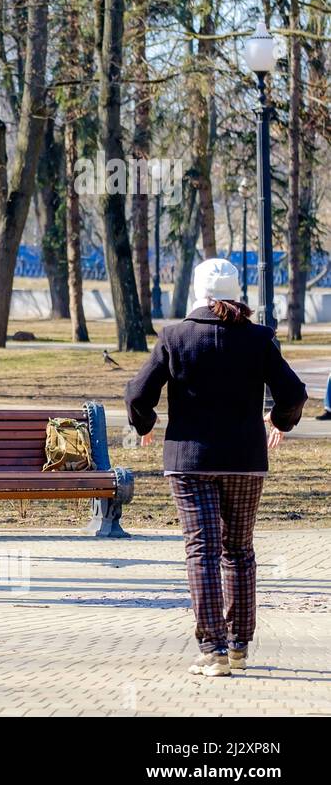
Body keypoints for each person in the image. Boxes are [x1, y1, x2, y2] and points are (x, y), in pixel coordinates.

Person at [126, 258, 306, 678]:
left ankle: (213, 651)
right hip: (244, 461)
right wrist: (279, 421)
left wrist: (146, 424)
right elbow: (294, 392)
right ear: (235, 292)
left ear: (197, 292)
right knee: (239, 551)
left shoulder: (174, 336)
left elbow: (137, 393)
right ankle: (240, 645)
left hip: (189, 461)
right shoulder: (260, 338)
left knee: (202, 551)